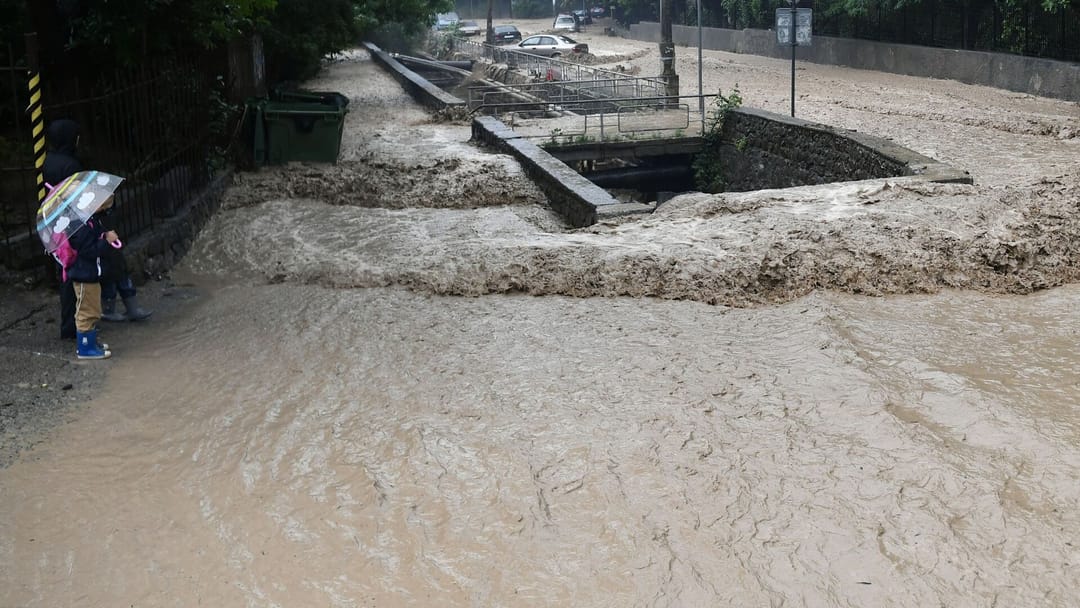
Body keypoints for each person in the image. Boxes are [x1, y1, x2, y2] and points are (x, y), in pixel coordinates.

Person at [41, 119, 151, 334]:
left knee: (66, 272)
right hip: (74, 222)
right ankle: (79, 327)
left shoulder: (49, 161)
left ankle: (71, 324)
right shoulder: (70, 165)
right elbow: (78, 195)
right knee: (79, 275)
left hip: (59, 224)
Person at [67, 197, 120, 359]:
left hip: (90, 273)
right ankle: (85, 348)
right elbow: (88, 251)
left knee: (93, 309)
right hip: (84, 275)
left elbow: (93, 241)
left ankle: (90, 343)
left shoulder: (89, 220)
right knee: (86, 312)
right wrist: (106, 242)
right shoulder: (79, 226)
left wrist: (104, 236)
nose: (103, 210)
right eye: (102, 206)